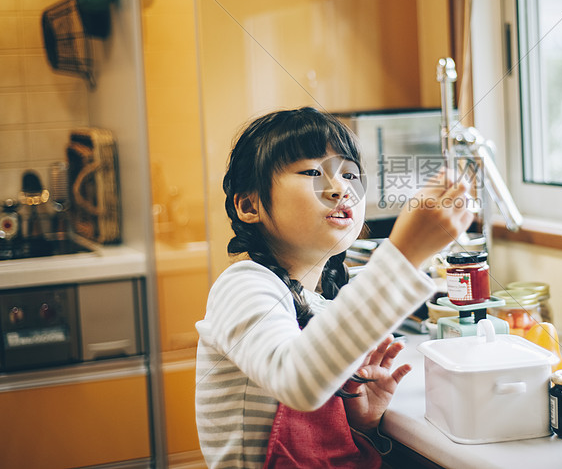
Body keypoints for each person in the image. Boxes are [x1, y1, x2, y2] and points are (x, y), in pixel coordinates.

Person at [195, 106, 473, 468]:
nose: (340, 187)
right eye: (312, 172)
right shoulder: (244, 286)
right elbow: (295, 380)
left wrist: (361, 422)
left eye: (349, 174)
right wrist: (403, 253)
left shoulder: (326, 302)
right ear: (250, 205)